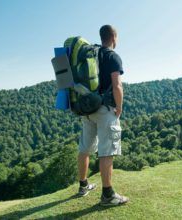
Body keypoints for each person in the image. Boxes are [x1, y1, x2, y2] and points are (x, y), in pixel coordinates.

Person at [77, 24, 129, 206]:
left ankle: (83, 185)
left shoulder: (92, 55)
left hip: (87, 109)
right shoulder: (112, 56)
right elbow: (117, 86)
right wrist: (119, 107)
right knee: (107, 151)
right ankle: (108, 195)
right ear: (114, 37)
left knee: (85, 148)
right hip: (105, 110)